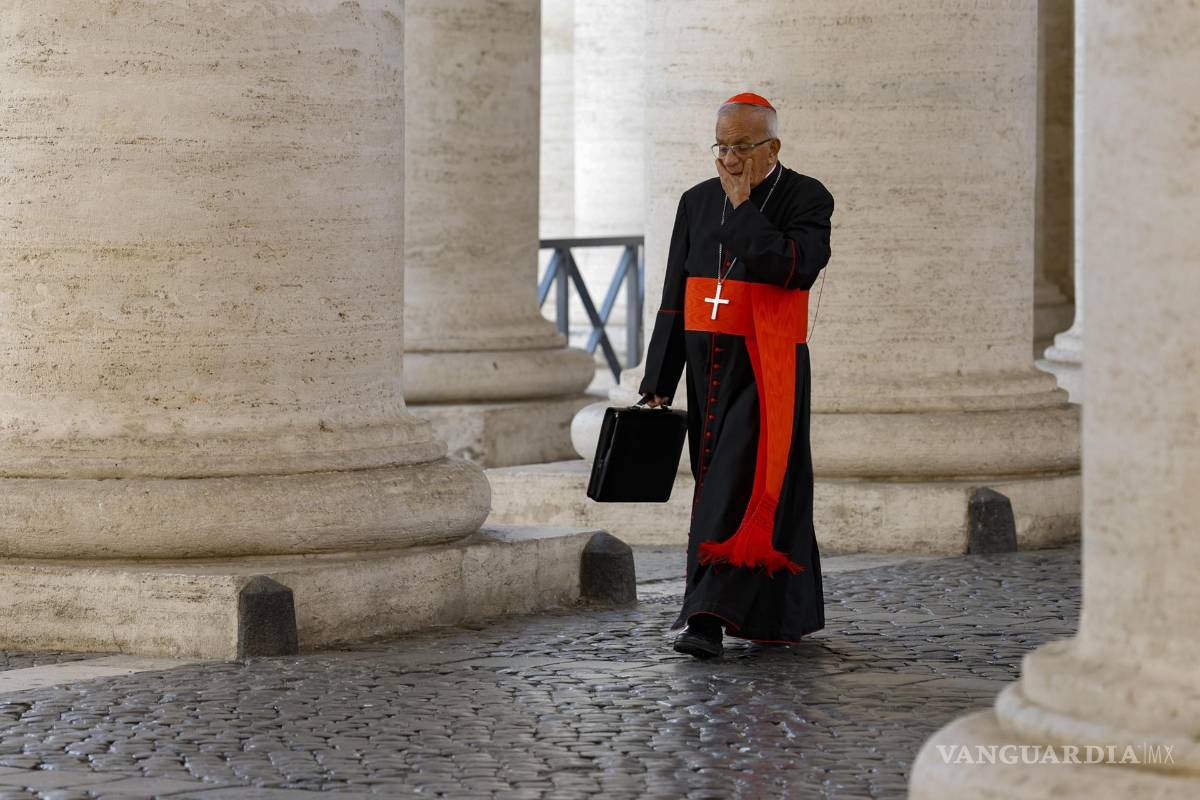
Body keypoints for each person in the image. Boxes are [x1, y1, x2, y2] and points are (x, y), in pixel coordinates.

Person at [639, 92, 834, 659]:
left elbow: (793, 268)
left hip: (765, 366)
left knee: (737, 480)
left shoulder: (806, 196)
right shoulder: (695, 201)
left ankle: (705, 617)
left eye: (743, 147)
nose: (729, 159)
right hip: (707, 368)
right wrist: (659, 378)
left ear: (772, 146)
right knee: (717, 482)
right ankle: (770, 617)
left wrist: (745, 207)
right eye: (721, 146)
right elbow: (676, 295)